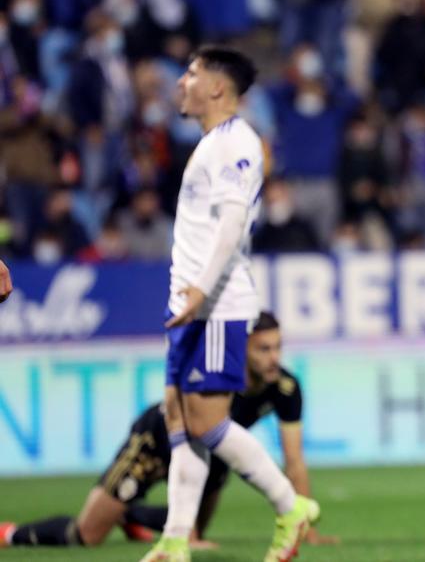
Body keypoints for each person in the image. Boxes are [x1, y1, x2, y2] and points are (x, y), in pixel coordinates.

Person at [140, 46, 319, 562]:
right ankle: (176, 538)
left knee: (207, 422)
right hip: (192, 301)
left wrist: (200, 290)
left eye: (192, 74)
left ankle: (291, 506)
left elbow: (233, 221)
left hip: (216, 303)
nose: (182, 82)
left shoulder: (238, 142)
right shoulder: (210, 144)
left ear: (217, 88)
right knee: (180, 416)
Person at [0, 313, 337, 550]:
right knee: (86, 535)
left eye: (278, 347)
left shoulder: (285, 387)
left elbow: (294, 460)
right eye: (264, 349)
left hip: (207, 457)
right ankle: (10, 533)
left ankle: (131, 515)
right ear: (243, 348)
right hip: (157, 441)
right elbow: (185, 426)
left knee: (203, 517)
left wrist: (305, 531)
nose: (274, 358)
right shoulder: (216, 378)